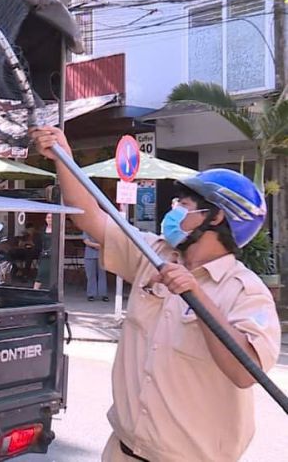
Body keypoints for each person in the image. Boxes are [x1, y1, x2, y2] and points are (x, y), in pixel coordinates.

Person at [31, 126, 281, 462]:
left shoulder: (246, 291)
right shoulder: (152, 255)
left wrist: (197, 295)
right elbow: (90, 216)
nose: (174, 208)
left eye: (185, 204)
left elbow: (244, 373)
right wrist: (64, 157)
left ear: (216, 217)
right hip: (121, 450)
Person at [83, 231, 108, 301]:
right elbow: (86, 241)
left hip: (101, 255)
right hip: (90, 255)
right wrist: (97, 245)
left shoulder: (101, 230)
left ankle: (103, 294)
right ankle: (91, 294)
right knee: (91, 275)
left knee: (102, 275)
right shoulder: (87, 229)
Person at [33, 213, 53, 289]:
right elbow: (39, 242)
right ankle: (35, 290)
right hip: (44, 253)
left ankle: (52, 290)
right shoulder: (42, 229)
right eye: (48, 217)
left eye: (51, 218)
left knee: (53, 273)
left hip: (54, 253)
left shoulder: (57, 229)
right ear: (45, 219)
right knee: (41, 272)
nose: (49, 219)